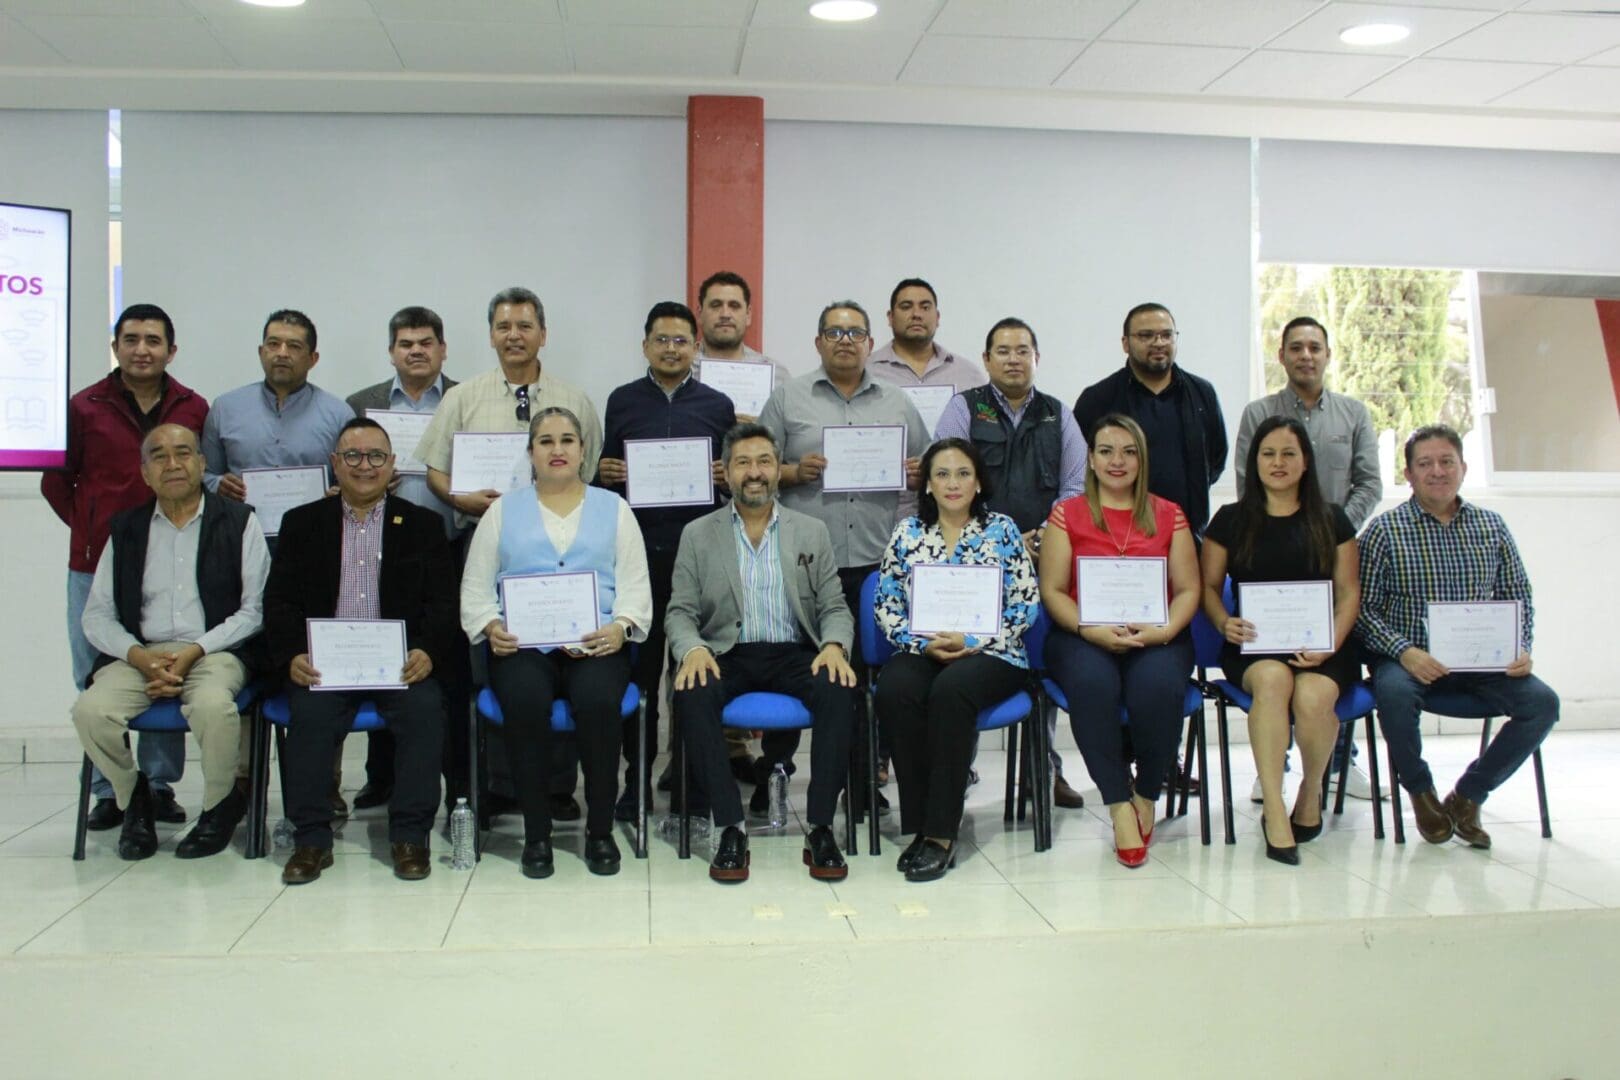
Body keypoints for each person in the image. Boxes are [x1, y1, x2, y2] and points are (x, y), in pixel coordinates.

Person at [416, 287, 602, 821]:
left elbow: (588, 470)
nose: (514, 336)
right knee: (493, 662)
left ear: (543, 334)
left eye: (524, 326)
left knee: (563, 652)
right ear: (491, 335)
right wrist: (461, 499)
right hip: (485, 544)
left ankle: (558, 787)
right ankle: (499, 782)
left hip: (562, 550)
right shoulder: (463, 398)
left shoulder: (574, 398)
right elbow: (434, 469)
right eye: (503, 327)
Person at [461, 407, 651, 879]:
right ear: (531, 453)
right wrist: (491, 626)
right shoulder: (502, 511)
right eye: (546, 441)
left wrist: (621, 627)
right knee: (525, 701)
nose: (557, 449)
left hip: (597, 643)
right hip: (522, 647)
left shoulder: (615, 509)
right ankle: (537, 835)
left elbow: (635, 584)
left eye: (567, 440)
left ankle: (600, 831)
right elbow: (475, 587)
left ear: (583, 450)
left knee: (599, 702)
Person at [266, 418, 457, 885]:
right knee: (309, 717)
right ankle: (311, 839)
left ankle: (409, 836)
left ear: (392, 465)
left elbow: (443, 603)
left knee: (425, 709)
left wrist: (428, 651)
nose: (364, 466)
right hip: (326, 666)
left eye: (375, 456)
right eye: (352, 455)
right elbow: (279, 601)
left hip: (399, 665)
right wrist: (292, 655)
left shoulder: (423, 525)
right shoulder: (301, 523)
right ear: (335, 463)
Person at [757, 300, 929, 813]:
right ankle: (774, 773)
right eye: (834, 332)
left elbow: (931, 465)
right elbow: (754, 468)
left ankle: (860, 783)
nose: (845, 341)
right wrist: (793, 473)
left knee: (860, 678)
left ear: (870, 343)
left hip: (874, 564)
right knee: (792, 667)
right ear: (818, 342)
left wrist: (919, 471)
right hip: (804, 565)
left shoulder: (897, 402)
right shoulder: (787, 398)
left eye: (855, 333)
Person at [666, 423, 858, 884]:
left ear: (777, 469)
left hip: (793, 651)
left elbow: (834, 606)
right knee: (691, 693)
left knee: (840, 689)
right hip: (726, 652)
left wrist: (834, 645)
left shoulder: (810, 531)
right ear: (726, 472)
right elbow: (680, 610)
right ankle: (730, 826)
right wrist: (692, 648)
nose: (754, 472)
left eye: (764, 462)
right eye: (743, 463)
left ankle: (820, 827)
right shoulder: (698, 534)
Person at [45, 304, 208, 830]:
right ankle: (109, 790)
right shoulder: (84, 406)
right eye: (131, 339)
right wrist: (96, 530)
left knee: (164, 666)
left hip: (172, 561)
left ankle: (157, 786)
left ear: (171, 351)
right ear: (116, 347)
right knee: (93, 675)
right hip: (94, 564)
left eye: (153, 340)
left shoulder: (192, 406)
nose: (142, 349)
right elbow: (56, 482)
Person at [71, 424, 267, 860]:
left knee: (213, 706)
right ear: (145, 473)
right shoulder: (126, 528)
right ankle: (133, 798)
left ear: (202, 462)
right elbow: (97, 614)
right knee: (90, 711)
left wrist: (193, 652)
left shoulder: (239, 521)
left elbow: (254, 611)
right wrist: (140, 657)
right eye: (159, 456)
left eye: (183, 453)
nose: (173, 464)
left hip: (214, 650)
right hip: (142, 654)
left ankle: (218, 806)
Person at [1357, 425, 1557, 851]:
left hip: (1484, 663)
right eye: (1425, 463)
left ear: (1463, 467)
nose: (1437, 471)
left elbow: (1518, 595)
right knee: (1392, 693)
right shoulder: (1384, 531)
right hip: (1410, 660)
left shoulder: (1492, 526)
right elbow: (1363, 610)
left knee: (1543, 704)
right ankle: (1421, 793)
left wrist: (1521, 646)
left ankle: (1469, 796)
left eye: (1447, 461)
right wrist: (1404, 652)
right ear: (1408, 474)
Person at [934, 316, 1087, 809]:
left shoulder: (1058, 414)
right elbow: (947, 476)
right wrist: (996, 539)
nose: (1014, 359)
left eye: (1023, 351)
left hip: (1043, 557)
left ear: (1037, 358)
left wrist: (1041, 535)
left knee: (1037, 659)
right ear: (987, 359)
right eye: (1003, 351)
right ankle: (959, 768)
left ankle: (1043, 770)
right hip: (973, 563)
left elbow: (1074, 487)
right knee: (969, 660)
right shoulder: (964, 408)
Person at [872, 438, 1038, 881]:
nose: (952, 483)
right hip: (923, 647)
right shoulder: (908, 533)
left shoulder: (1002, 530)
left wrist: (973, 638)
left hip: (993, 652)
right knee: (895, 688)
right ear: (927, 484)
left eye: (963, 473)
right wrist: (920, 642)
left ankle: (941, 834)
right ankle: (920, 825)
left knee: (951, 690)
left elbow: (1025, 603)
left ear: (979, 481)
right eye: (942, 474)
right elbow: (886, 603)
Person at [1038, 414, 1199, 868]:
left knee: (1157, 686)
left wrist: (1163, 631)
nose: (1117, 461)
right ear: (1090, 459)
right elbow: (1053, 590)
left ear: (1142, 460)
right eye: (1106, 451)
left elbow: (1188, 589)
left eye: (1129, 452)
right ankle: (1116, 803)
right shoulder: (1066, 514)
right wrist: (1090, 629)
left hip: (1157, 635)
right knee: (1093, 685)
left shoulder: (1170, 515)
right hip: (1082, 634)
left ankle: (1145, 795)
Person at [1201, 416, 1361, 866]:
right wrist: (1223, 622)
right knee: (1273, 682)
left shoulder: (1332, 519)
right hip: (1254, 645)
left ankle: (1310, 791)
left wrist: (1331, 643)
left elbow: (1349, 593)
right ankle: (1274, 807)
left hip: (1324, 645)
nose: (1278, 462)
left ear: (1306, 461)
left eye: (1289, 453)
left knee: (1313, 696)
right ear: (1254, 462)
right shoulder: (1230, 520)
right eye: (1268, 454)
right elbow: (1208, 587)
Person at [1235, 316, 1383, 803]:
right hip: (1274, 561)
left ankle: (1340, 765)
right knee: (1276, 670)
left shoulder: (1353, 413)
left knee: (1326, 671)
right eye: (1295, 347)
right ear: (1281, 356)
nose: (1306, 355)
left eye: (1314, 347)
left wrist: (1329, 530)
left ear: (1327, 354)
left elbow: (1369, 483)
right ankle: (1273, 767)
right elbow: (1248, 483)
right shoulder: (1259, 413)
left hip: (1332, 556)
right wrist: (1289, 530)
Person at [597, 301, 735, 821]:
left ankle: (687, 777)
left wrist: (724, 476)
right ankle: (635, 781)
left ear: (696, 347)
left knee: (693, 674)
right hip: (639, 557)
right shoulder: (623, 400)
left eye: (681, 340)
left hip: (700, 558)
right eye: (662, 339)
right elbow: (605, 474)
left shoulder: (717, 404)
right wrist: (606, 473)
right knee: (641, 674)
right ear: (645, 346)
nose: (671, 349)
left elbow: (734, 480)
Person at [345, 306, 463, 817]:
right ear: (391, 351)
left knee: (441, 665)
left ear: (442, 349)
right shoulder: (362, 404)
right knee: (383, 654)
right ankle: (382, 777)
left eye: (426, 342)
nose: (416, 351)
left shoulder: (463, 398)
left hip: (449, 545)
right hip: (379, 549)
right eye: (405, 343)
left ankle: (453, 779)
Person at [1074, 302, 1226, 536]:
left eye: (1167, 335)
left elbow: (1216, 460)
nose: (1158, 343)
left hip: (1187, 533)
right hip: (1115, 535)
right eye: (1146, 336)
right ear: (1125, 343)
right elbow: (1080, 468)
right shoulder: (1098, 399)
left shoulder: (1202, 393)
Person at [200, 309, 355, 508]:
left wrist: (342, 493)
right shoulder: (225, 408)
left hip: (314, 525)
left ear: (313, 359)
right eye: (273, 344)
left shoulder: (339, 415)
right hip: (240, 524)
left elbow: (353, 478)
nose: (282, 353)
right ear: (261, 352)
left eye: (294, 346)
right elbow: (204, 474)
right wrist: (218, 484)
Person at [692, 270, 792, 416]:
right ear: (699, 314)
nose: (725, 314)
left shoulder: (777, 376)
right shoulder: (682, 372)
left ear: (748, 315)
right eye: (716, 305)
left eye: (734, 306)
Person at [866, 277, 987, 397]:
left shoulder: (968, 374)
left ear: (937, 318)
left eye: (925, 307)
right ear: (890, 317)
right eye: (906, 307)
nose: (916, 314)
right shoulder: (866, 371)